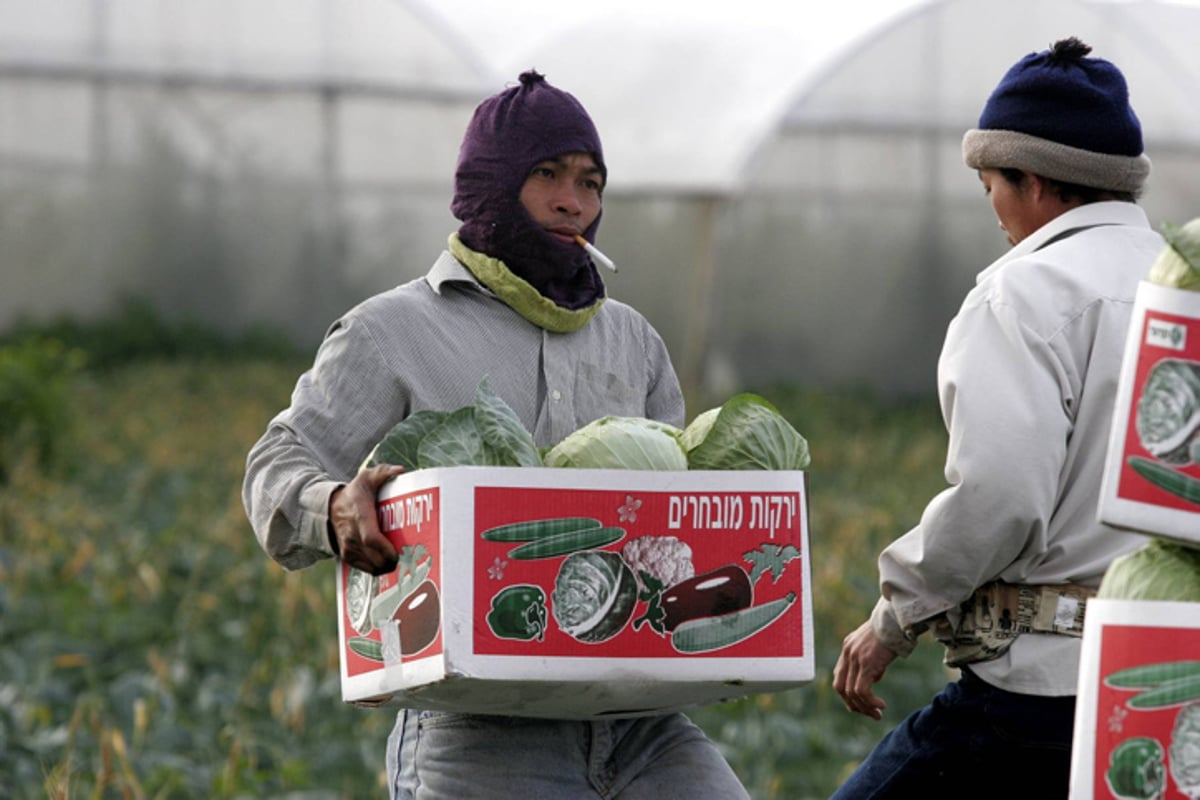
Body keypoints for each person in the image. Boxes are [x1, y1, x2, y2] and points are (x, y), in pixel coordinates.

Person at [242, 71, 750, 800]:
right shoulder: (391, 331)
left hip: (639, 719)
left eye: (590, 181)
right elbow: (273, 464)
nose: (572, 201)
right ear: (491, 183)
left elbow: (671, 504)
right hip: (478, 727)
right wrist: (331, 507)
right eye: (546, 175)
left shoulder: (631, 340)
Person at [830, 37, 1164, 799]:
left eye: (991, 186)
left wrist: (893, 618)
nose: (995, 212)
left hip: (1039, 696)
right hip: (1166, 681)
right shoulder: (1182, 291)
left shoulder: (1024, 296)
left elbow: (1000, 497)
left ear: (1035, 180)